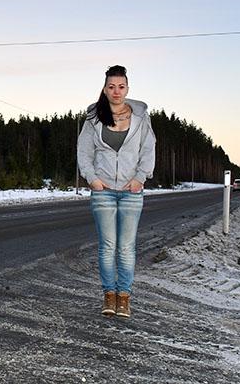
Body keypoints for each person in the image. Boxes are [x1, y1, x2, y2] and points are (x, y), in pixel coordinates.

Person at [77, 65, 155, 318]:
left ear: (127, 88)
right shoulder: (93, 118)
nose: (116, 91)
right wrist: (93, 179)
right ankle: (108, 296)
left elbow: (148, 149)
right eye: (111, 86)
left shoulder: (141, 117)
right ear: (104, 88)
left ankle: (124, 298)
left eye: (121, 86)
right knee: (107, 246)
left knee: (126, 247)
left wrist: (140, 178)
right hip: (103, 191)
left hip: (132, 191)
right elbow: (84, 152)